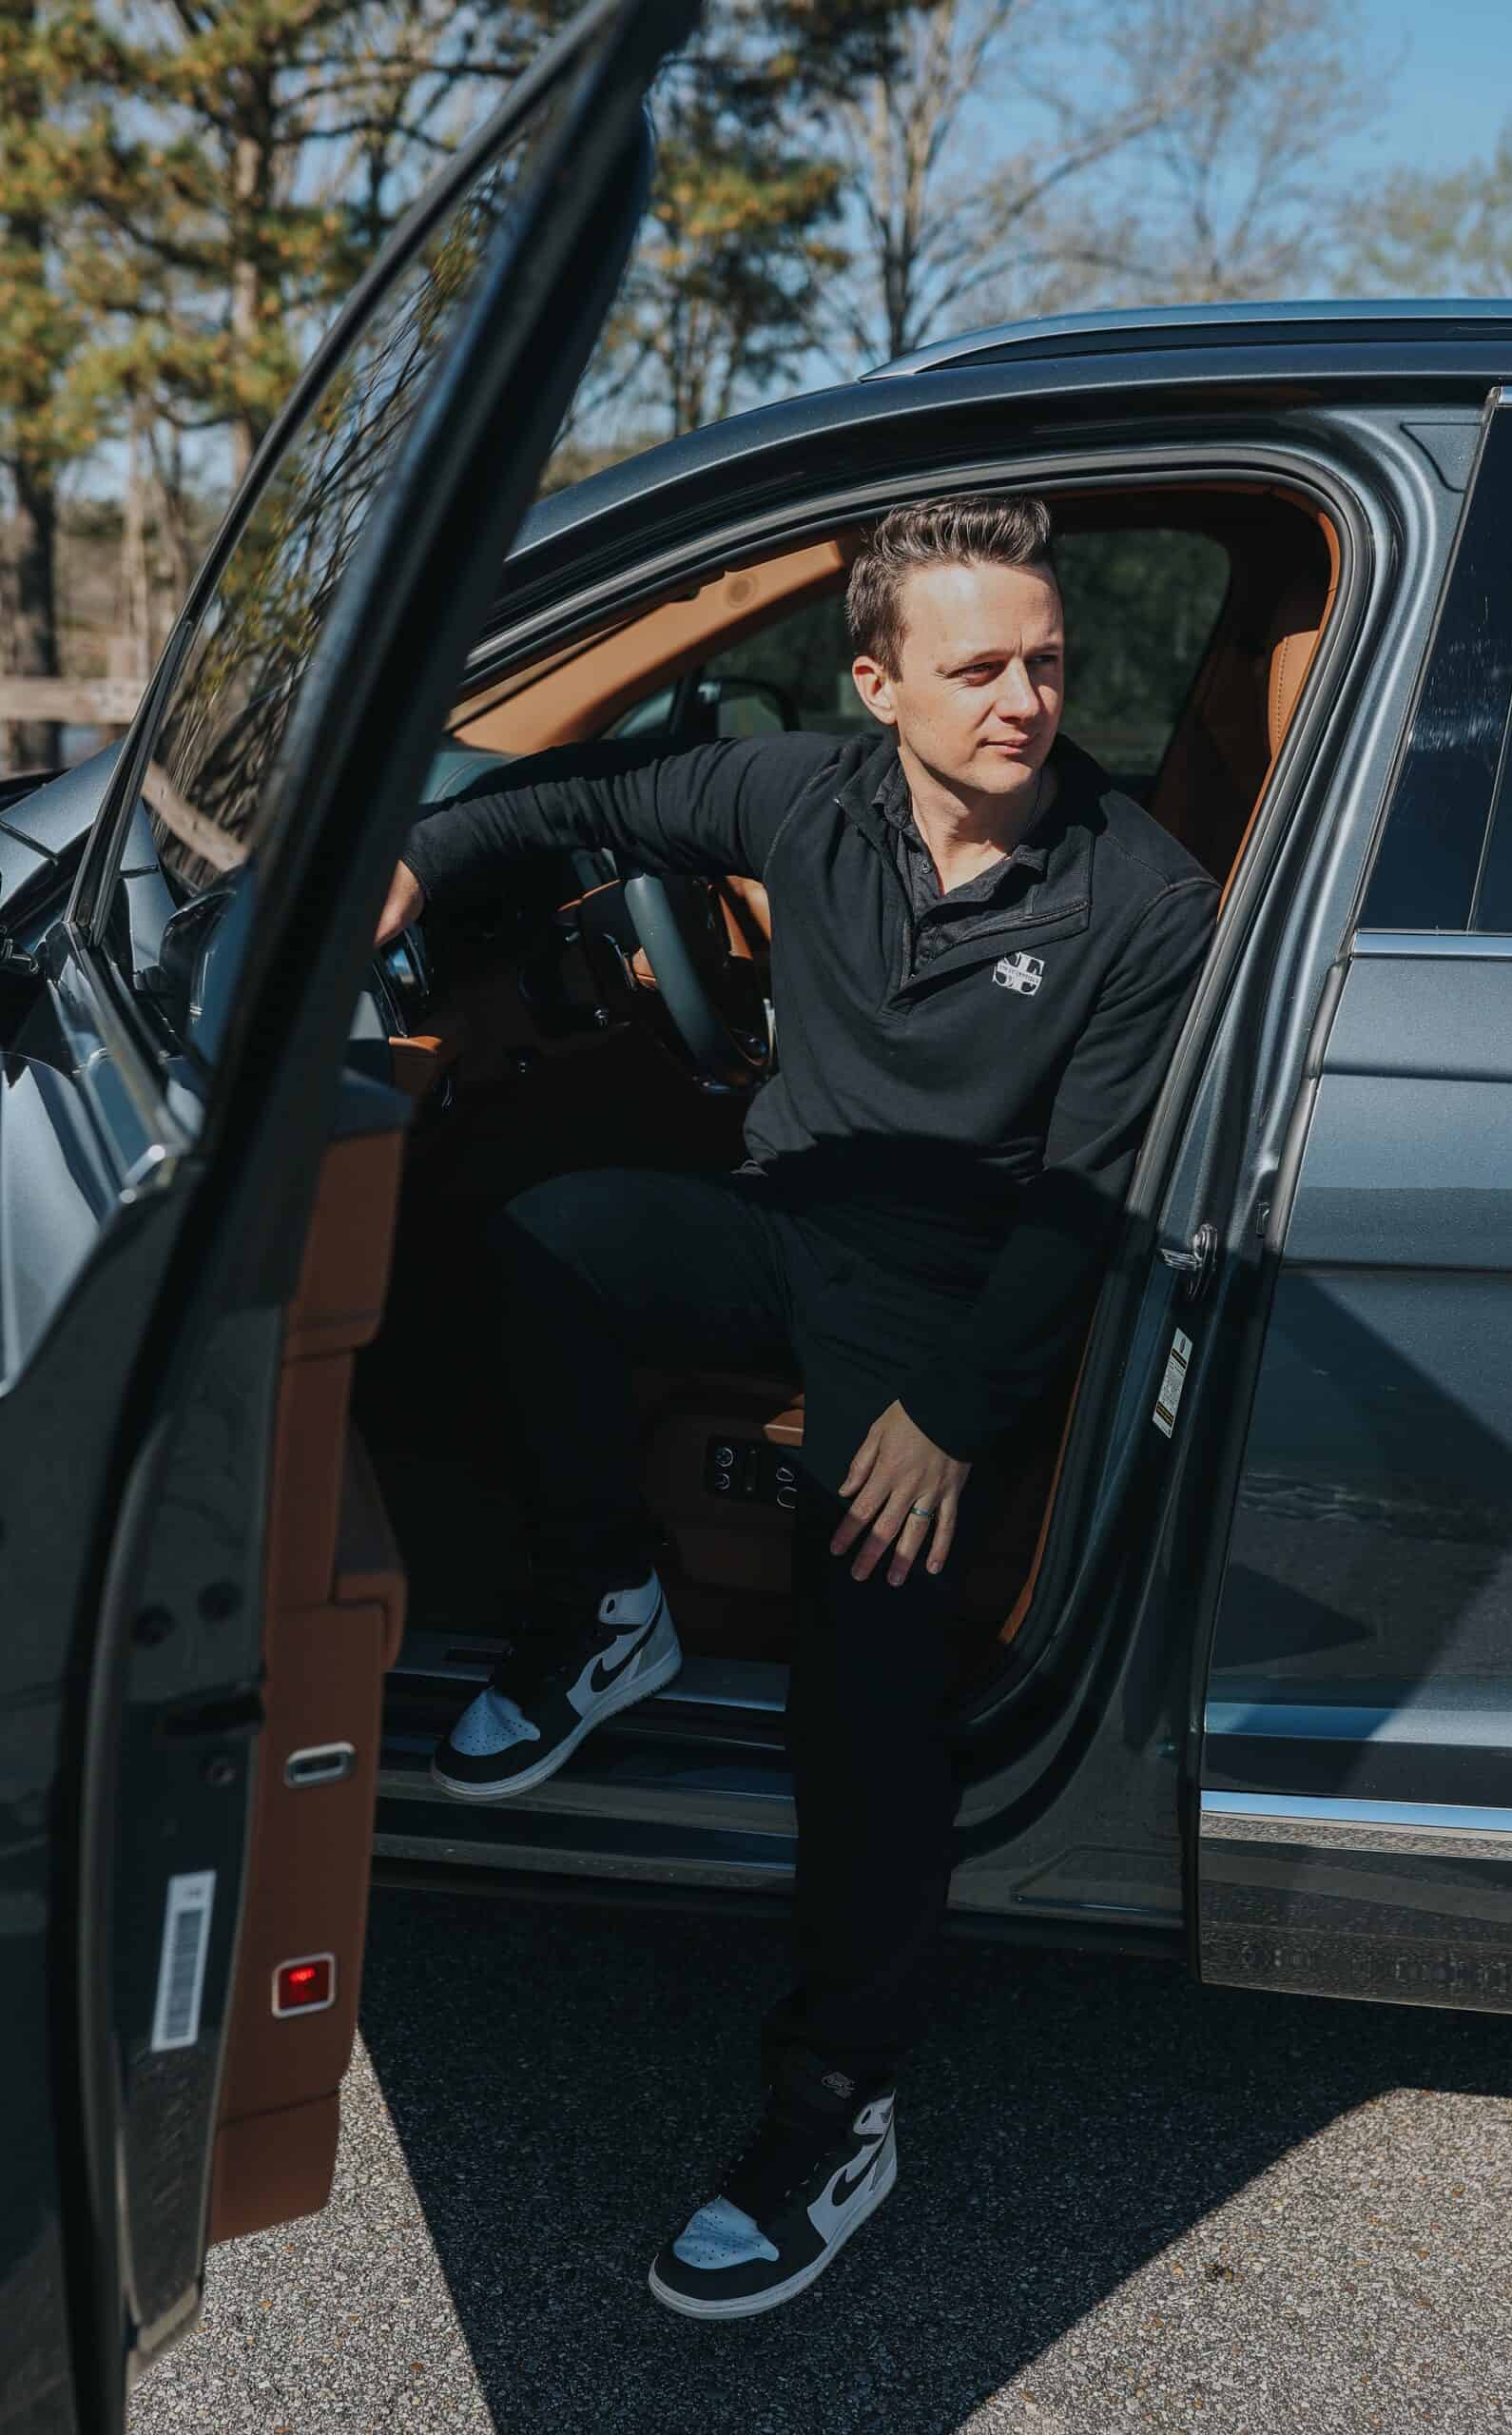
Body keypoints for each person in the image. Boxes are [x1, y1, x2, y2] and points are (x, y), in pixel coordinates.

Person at [375, 494, 1217, 2318]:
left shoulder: (1138, 892)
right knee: (528, 1237)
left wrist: (950, 1411)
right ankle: (611, 1611)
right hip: (780, 1228)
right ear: (876, 681)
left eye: (1047, 663)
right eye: (978, 666)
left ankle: (837, 2102)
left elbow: (1093, 1193)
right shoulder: (798, 799)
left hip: (943, 1303)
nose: (1023, 699)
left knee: (867, 1684)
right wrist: (418, 867)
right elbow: (568, 801)